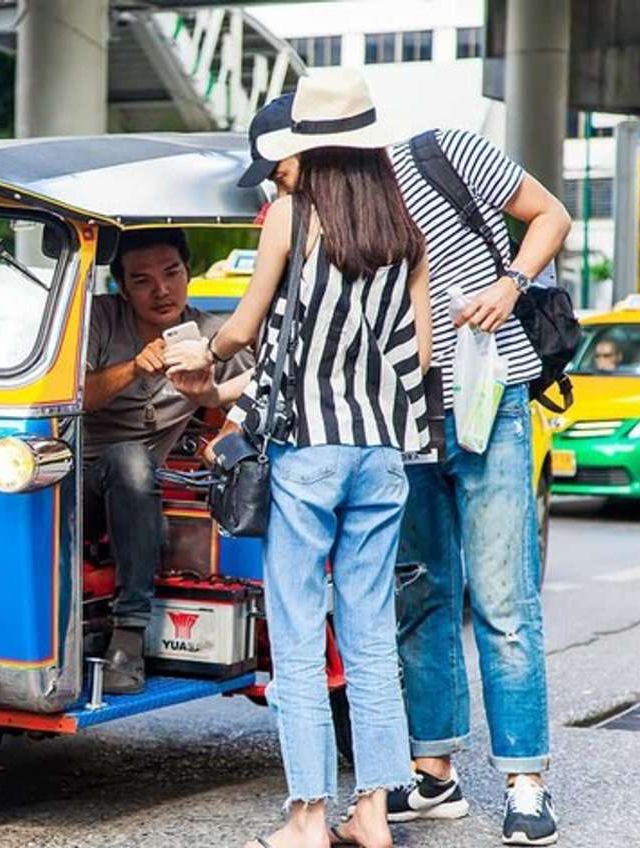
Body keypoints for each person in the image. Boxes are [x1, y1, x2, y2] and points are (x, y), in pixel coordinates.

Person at [192, 69, 432, 848]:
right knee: (369, 639)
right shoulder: (403, 226)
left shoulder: (293, 213)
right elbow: (422, 356)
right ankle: (373, 811)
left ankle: (307, 817)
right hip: (383, 455)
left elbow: (246, 324)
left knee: (297, 639)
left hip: (308, 455)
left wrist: (209, 352)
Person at [385, 117, 572, 847]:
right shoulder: (330, 210)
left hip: (489, 398)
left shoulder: (443, 154)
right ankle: (434, 775)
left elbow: (550, 213)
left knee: (502, 596)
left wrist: (509, 283)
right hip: (400, 414)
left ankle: (526, 784)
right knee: (422, 592)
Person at [83, 227, 253, 694]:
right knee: (127, 460)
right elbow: (77, 396)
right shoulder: (100, 318)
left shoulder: (211, 336)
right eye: (142, 280)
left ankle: (128, 637)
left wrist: (224, 431)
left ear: (188, 274)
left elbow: (263, 386)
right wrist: (135, 366)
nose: (161, 290)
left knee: (135, 464)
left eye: (172, 273)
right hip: (79, 481)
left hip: (141, 484)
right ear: (122, 287)